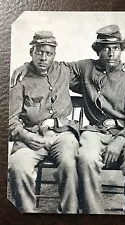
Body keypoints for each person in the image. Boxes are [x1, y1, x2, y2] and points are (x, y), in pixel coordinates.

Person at [11, 25, 125, 215]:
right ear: (98, 50)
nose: (111, 54)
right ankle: (93, 215)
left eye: (115, 48)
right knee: (85, 158)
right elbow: (51, 66)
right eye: (106, 48)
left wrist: (119, 141)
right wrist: (27, 66)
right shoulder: (85, 68)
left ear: (121, 50)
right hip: (95, 131)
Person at [9, 31, 80, 213]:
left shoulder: (64, 71)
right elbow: (9, 119)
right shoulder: (20, 79)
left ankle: (69, 214)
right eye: (39, 52)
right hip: (31, 136)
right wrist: (24, 135)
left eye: (48, 53)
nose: (43, 58)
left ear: (54, 55)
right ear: (31, 52)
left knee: (70, 163)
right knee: (17, 166)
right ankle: (28, 214)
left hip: (62, 135)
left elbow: (94, 68)